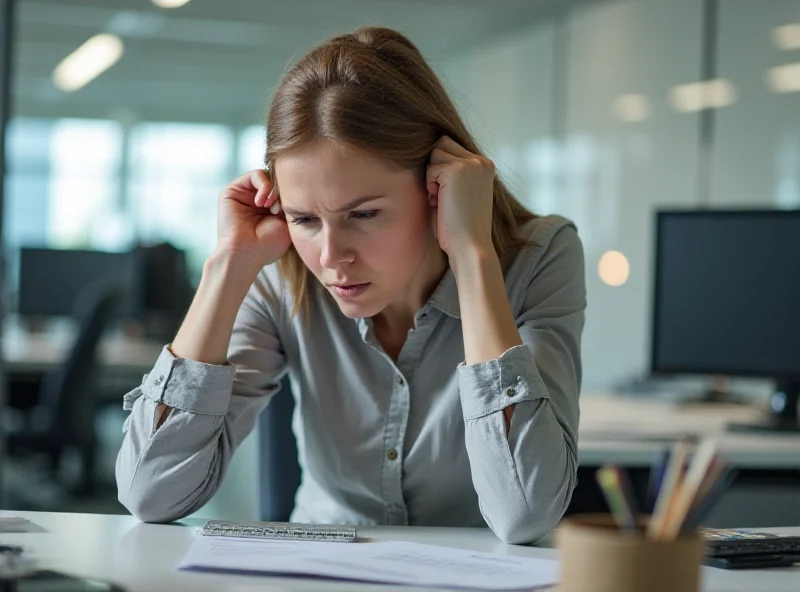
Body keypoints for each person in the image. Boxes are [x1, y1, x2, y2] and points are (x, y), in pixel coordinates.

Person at [116, 26, 586, 545]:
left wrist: (472, 256)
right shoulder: (280, 272)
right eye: (305, 219)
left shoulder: (539, 257)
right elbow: (149, 493)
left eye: (363, 213)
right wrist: (229, 265)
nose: (331, 256)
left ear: (438, 189)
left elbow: (525, 513)